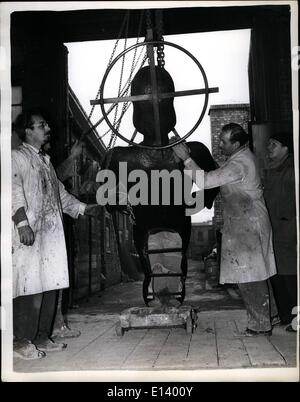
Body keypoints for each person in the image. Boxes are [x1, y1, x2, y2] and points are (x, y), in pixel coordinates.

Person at [172, 123, 277, 336]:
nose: (220, 144)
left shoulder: (239, 164)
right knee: (258, 272)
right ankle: (271, 315)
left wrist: (187, 159)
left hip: (248, 225)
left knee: (250, 275)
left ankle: (260, 325)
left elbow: (207, 181)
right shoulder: (240, 158)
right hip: (246, 222)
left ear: (236, 143)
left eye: (223, 141)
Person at [12, 109, 100, 359]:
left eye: (46, 124)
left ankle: (41, 336)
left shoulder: (45, 161)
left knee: (51, 283)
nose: (47, 127)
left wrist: (84, 209)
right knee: (29, 286)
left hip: (49, 235)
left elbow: (60, 196)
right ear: (28, 131)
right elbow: (12, 190)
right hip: (29, 232)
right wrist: (22, 224)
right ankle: (20, 341)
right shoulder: (16, 157)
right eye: (41, 125)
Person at [263, 130, 297, 332]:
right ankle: (285, 316)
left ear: (286, 148)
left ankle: (296, 319)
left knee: (291, 276)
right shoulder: (271, 169)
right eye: (269, 143)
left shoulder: (292, 170)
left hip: (289, 231)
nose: (269, 148)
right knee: (278, 275)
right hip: (274, 231)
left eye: (274, 144)